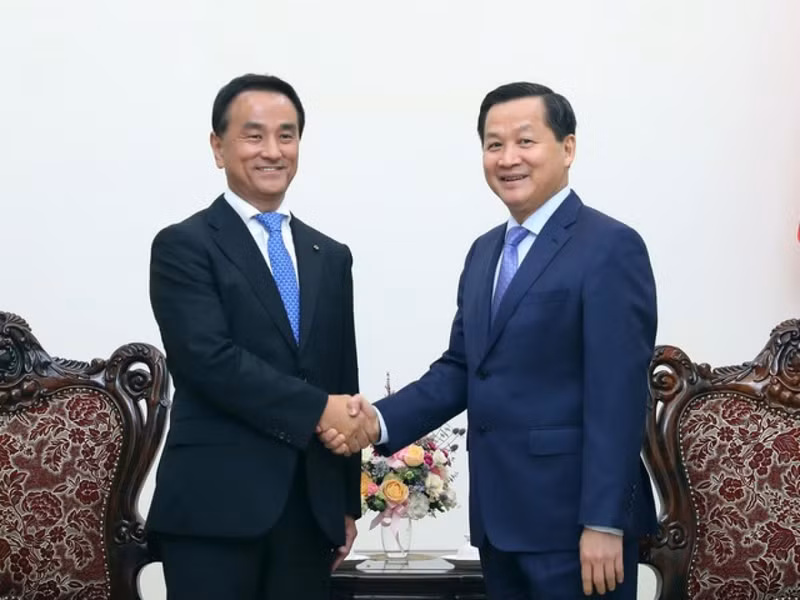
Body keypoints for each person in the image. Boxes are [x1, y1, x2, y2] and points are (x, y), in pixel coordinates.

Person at [321, 82, 658, 599]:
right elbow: (460, 369)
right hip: (501, 526)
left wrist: (605, 523)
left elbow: (619, 397)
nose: (507, 158)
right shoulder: (484, 254)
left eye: (526, 141)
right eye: (493, 144)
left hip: (577, 530)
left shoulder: (610, 247)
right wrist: (377, 422)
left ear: (568, 148)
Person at [147, 73, 371, 600]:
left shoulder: (330, 255)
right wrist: (320, 408)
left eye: (287, 135)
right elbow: (208, 361)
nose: (272, 151)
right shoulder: (185, 246)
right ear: (217, 147)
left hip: (309, 511)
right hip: (213, 510)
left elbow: (343, 374)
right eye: (254, 135)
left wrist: (344, 502)